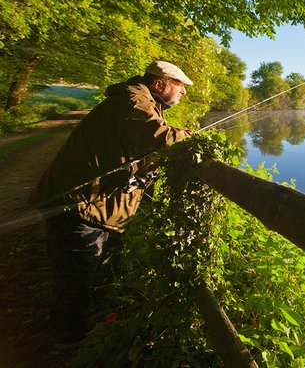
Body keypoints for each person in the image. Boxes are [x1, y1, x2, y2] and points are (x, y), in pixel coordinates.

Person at [31, 60, 194, 342]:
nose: (183, 93)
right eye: (180, 86)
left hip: (91, 207)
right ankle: (68, 344)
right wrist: (191, 137)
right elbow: (160, 137)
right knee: (76, 280)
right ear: (159, 84)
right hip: (79, 206)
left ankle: (88, 337)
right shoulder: (133, 101)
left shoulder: (143, 102)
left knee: (97, 274)